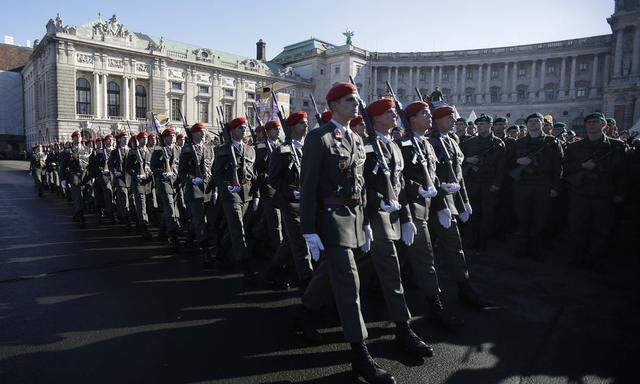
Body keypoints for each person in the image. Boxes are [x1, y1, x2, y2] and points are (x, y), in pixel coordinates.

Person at [298, 82, 395, 384]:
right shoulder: (319, 137)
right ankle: (360, 355)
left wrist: (365, 221)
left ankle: (305, 313)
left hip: (353, 217)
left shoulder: (354, 137)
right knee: (349, 282)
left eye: (356, 99)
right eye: (350, 100)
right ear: (334, 104)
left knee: (331, 272)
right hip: (331, 217)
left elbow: (360, 184)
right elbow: (309, 186)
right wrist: (308, 230)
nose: (357, 104)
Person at [362, 98, 433, 358]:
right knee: (391, 271)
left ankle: (310, 306)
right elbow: (358, 184)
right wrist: (376, 203)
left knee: (353, 267)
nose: (395, 115)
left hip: (393, 214)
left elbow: (399, 185)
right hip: (374, 215)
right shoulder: (367, 147)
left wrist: (405, 217)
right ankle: (404, 329)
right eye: (389, 112)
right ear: (376, 117)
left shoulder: (392, 145)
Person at [397, 101, 464, 331]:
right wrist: (417, 190)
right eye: (425, 114)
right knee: (425, 258)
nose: (430, 117)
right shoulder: (403, 144)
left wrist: (441, 204)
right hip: (411, 210)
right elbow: (399, 180)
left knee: (406, 256)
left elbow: (432, 179)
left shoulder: (425, 143)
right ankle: (435, 306)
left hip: (427, 207)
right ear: (412, 119)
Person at [428, 104, 492, 309]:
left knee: (453, 248)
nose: (454, 121)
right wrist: (440, 204)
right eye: (449, 118)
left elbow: (459, 176)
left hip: (451, 202)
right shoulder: (431, 143)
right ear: (437, 121)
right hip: (434, 204)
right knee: (417, 250)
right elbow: (428, 176)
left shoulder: (453, 141)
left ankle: (464, 289)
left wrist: (464, 201)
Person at [564, 112, 626, 271]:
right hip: (580, 193)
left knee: (601, 230)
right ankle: (577, 259)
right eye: (589, 122)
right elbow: (567, 169)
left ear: (604, 125)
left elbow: (622, 172)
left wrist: (619, 193)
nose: (592, 125)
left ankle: (596, 261)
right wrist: (582, 167)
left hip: (604, 193)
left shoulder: (616, 146)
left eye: (596, 122)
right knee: (577, 228)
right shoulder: (575, 147)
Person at [264, 111, 314, 291]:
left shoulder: (309, 147)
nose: (306, 126)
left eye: (306, 122)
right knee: (300, 243)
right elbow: (274, 179)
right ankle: (307, 283)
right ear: (292, 128)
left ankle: (271, 271)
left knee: (290, 243)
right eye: (302, 123)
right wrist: (292, 191)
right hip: (291, 204)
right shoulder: (281, 151)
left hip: (309, 203)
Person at [510, 113, 563, 260]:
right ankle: (521, 248)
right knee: (522, 218)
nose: (533, 124)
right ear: (526, 124)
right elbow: (509, 162)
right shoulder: (518, 143)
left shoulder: (552, 142)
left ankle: (536, 250)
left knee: (540, 219)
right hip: (522, 185)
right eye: (531, 121)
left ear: (542, 124)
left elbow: (558, 166)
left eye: (537, 121)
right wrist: (518, 161)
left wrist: (555, 187)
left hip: (543, 185)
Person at [212, 117, 259, 280]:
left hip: (247, 193)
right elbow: (216, 174)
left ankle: (220, 253)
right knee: (238, 229)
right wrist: (227, 185)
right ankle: (245, 266)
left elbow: (254, 172)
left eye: (245, 127)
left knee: (237, 228)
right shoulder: (223, 150)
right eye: (240, 127)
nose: (243, 130)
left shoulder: (250, 149)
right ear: (231, 131)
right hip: (231, 194)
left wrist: (256, 193)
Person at [459, 114, 507, 252]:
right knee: (472, 213)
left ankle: (483, 243)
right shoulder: (468, 143)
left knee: (488, 214)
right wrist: (468, 160)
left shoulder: (498, 143)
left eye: (483, 124)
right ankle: (471, 240)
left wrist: (497, 184)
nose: (480, 126)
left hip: (489, 183)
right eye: (478, 124)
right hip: (472, 183)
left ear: (490, 125)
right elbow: (458, 159)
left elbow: (501, 167)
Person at [178, 123, 216, 264]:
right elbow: (181, 172)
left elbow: (212, 168)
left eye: (204, 131)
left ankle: (189, 238)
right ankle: (205, 249)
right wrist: (192, 179)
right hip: (194, 189)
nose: (203, 134)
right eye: (200, 131)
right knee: (200, 219)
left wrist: (215, 189)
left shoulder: (209, 148)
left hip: (208, 188)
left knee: (207, 218)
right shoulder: (186, 149)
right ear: (193, 134)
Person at [151, 127, 182, 247]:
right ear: (164, 138)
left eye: (173, 136)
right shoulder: (158, 150)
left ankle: (162, 232)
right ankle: (172, 234)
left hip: (175, 182)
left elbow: (180, 165)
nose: (172, 138)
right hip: (164, 182)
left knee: (173, 207)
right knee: (170, 208)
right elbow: (154, 166)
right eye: (170, 136)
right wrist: (162, 172)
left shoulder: (178, 149)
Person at [60, 130, 92, 227]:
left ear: (81, 138)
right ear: (73, 138)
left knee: (85, 196)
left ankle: (77, 213)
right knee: (78, 196)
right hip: (74, 176)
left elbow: (90, 163)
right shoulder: (68, 151)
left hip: (85, 176)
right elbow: (63, 165)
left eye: (79, 137)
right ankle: (81, 217)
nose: (78, 138)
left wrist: (92, 176)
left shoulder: (87, 149)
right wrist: (63, 179)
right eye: (76, 137)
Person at [126, 131, 154, 240]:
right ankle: (144, 229)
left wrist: (150, 174)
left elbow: (152, 165)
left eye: (146, 138)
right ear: (139, 140)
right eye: (142, 138)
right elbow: (128, 168)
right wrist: (136, 174)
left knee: (148, 205)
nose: (145, 140)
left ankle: (139, 224)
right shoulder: (133, 152)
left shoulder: (150, 151)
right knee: (141, 206)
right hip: (138, 182)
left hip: (148, 182)